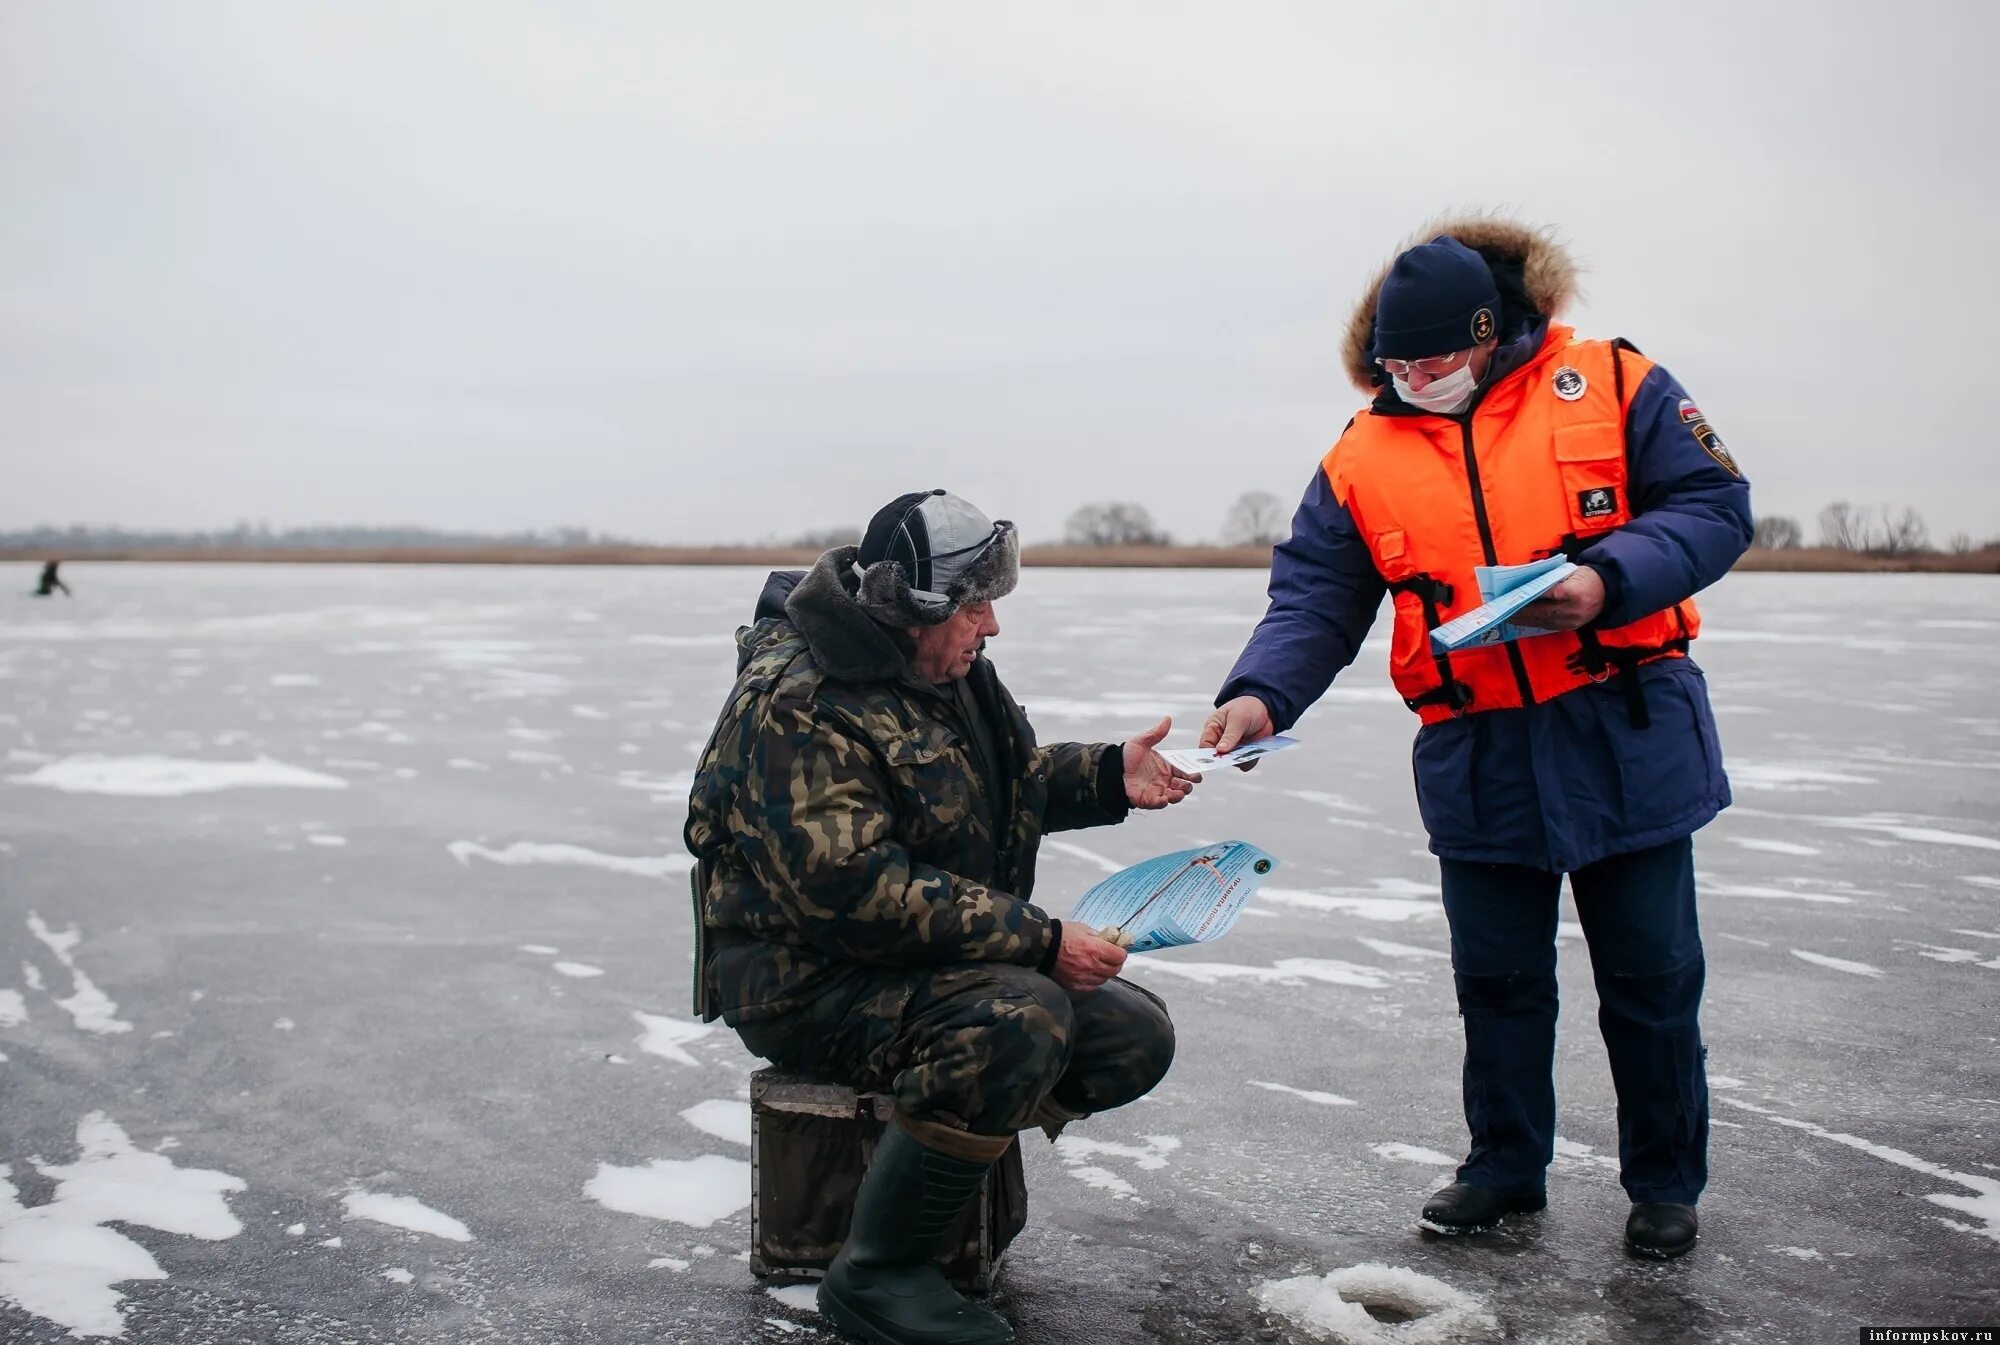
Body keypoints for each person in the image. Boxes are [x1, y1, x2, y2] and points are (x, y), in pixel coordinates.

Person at [1201, 217, 1752, 1260]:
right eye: (1394, 365)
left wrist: (1604, 579)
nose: (1414, 380)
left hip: (1622, 732)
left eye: (1434, 360)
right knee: (1495, 984)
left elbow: (1714, 505)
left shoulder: (1614, 383)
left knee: (1649, 976)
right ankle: (1502, 1166)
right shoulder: (1361, 454)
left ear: (1491, 331)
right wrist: (1261, 695)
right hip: (1477, 753)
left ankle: (1663, 1182)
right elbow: (1316, 594)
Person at [686, 489, 1195, 1345]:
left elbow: (994, 782)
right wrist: (1038, 940)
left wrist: (1111, 776)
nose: (990, 625)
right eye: (973, 605)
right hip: (803, 979)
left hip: (904, 963)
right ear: (914, 606)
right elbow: (850, 890)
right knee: (1019, 1017)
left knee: (1128, 1035)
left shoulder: (938, 671)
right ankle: (878, 1275)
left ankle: (935, 1155)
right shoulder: (800, 700)